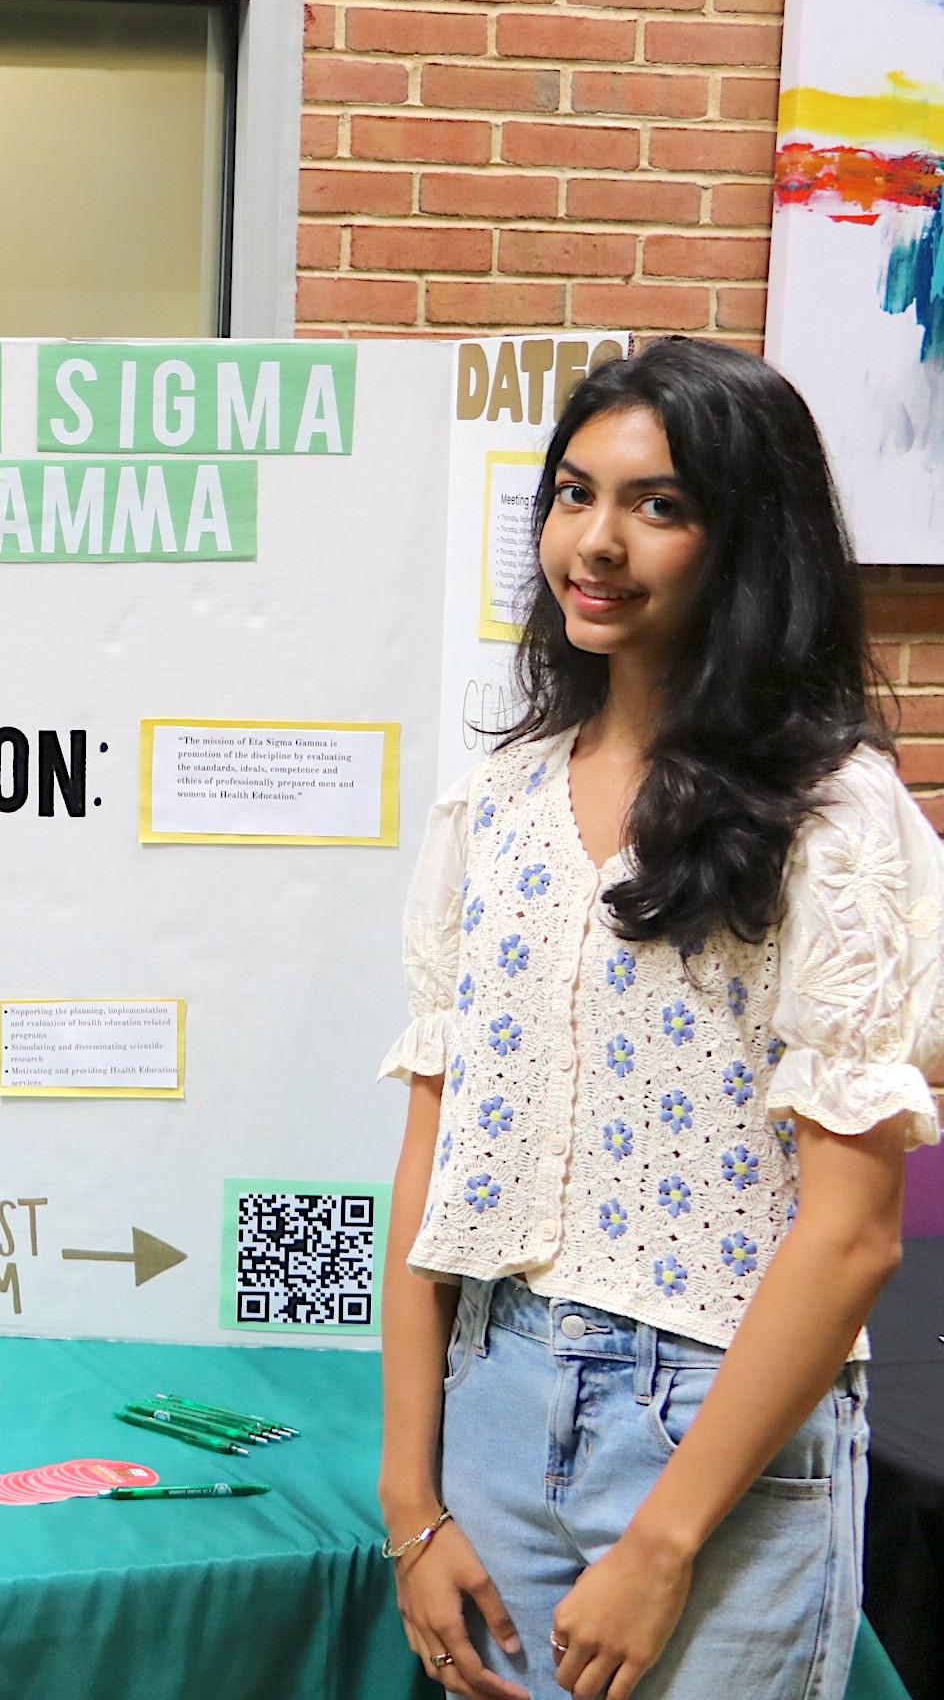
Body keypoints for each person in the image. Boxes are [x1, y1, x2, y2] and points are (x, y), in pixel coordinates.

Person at [377, 338, 939, 1700]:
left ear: (748, 542)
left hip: (720, 1439)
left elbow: (856, 1230)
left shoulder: (834, 815)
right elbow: (434, 1158)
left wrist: (669, 1535)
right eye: (576, 493)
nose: (600, 542)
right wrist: (412, 1504)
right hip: (493, 1399)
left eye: (660, 505)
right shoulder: (493, 804)